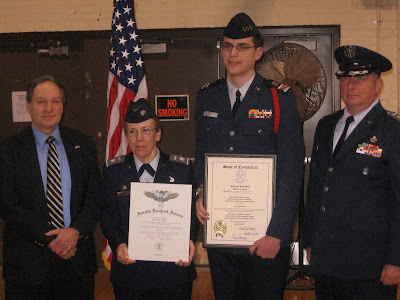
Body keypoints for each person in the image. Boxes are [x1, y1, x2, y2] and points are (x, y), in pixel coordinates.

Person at [194, 13, 305, 299]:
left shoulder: (279, 99)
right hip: (222, 236)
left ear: (258, 52)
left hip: (265, 237)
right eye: (227, 45)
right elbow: (200, 154)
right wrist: (200, 193)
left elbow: (292, 173)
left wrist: (278, 233)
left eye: (242, 46)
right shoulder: (207, 96)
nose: (233, 53)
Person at [304, 45, 400, 299]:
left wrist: (396, 260)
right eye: (346, 78)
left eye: (360, 78)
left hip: (370, 264)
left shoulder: (392, 132)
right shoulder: (326, 126)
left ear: (378, 84)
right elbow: (315, 188)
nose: (351, 86)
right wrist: (310, 241)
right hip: (327, 257)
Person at [0, 75, 102, 299]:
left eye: (55, 101)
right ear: (28, 106)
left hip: (77, 263)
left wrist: (75, 233)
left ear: (63, 106)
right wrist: (54, 238)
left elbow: (94, 197)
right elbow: (7, 205)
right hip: (27, 268)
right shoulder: (9, 150)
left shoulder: (82, 145)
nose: (49, 108)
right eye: (41, 101)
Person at [101, 98, 198, 299]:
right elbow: (107, 214)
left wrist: (188, 240)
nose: (139, 138)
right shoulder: (114, 172)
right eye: (132, 132)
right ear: (126, 136)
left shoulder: (183, 170)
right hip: (131, 273)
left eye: (145, 130)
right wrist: (118, 243)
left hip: (173, 271)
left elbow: (192, 213)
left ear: (158, 133)